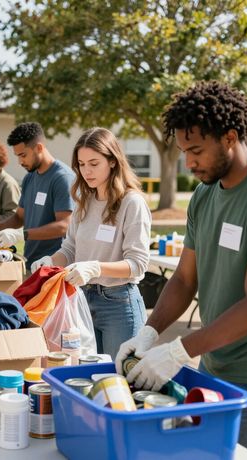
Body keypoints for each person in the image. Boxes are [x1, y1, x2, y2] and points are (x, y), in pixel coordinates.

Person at [115, 81, 247, 460]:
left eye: (196, 150)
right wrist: (149, 331)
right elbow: (184, 278)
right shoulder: (206, 194)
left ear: (229, 137)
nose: (189, 163)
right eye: (183, 151)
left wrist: (178, 352)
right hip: (213, 361)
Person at [31, 127, 151, 359]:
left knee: (120, 380)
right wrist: (49, 261)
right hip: (82, 299)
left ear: (113, 161)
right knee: (87, 374)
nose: (86, 171)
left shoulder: (131, 203)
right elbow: (70, 248)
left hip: (119, 303)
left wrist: (95, 267)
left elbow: (137, 264)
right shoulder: (83, 201)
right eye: (81, 164)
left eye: (94, 163)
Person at [0, 122, 75, 267]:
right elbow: (19, 217)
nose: (20, 161)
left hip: (53, 265)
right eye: (17, 156)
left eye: (23, 155)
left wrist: (21, 235)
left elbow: (65, 226)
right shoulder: (30, 177)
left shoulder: (62, 177)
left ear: (39, 147)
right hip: (29, 262)